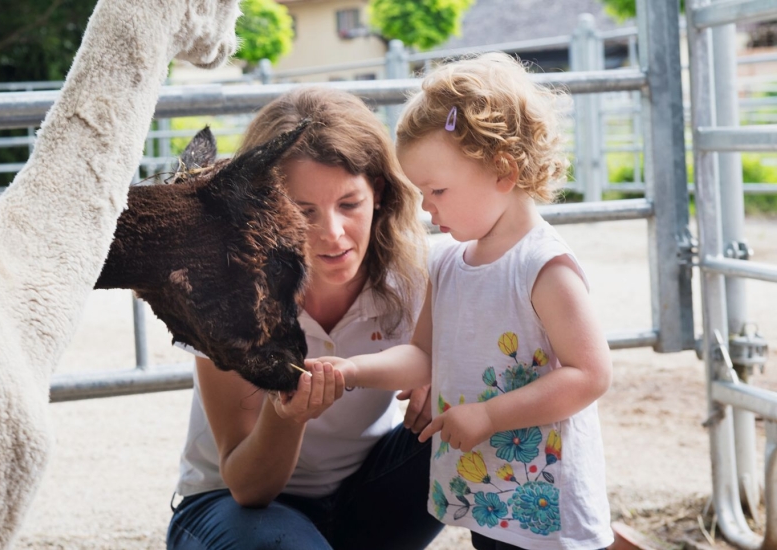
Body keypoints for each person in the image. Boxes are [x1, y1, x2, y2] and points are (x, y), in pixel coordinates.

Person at [314, 53, 613, 549]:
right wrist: (349, 371)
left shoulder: (542, 267)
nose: (427, 209)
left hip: (547, 505)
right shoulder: (448, 263)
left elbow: (590, 374)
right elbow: (422, 356)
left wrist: (491, 417)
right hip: (488, 497)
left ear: (503, 170)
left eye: (437, 191)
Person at [166, 86, 443, 549]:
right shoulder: (224, 292)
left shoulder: (418, 275)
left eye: (349, 204)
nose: (332, 235)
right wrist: (288, 414)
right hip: (236, 510)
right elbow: (247, 487)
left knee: (489, 415)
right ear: (265, 210)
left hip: (365, 498)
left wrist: (450, 377)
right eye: (302, 210)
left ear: (379, 191)